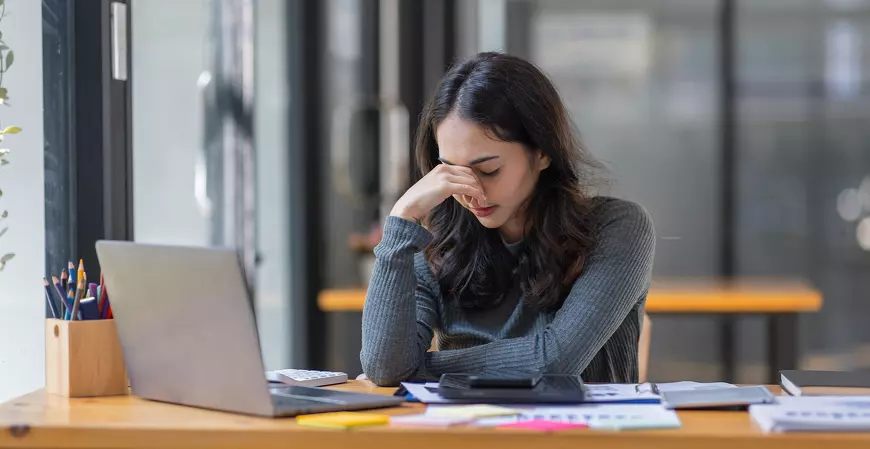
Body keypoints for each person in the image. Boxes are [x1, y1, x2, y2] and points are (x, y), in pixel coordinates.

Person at [360, 52, 655, 386]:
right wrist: (401, 218)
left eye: (488, 170)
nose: (470, 191)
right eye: (451, 172)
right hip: (470, 436)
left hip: (580, 438)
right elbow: (385, 369)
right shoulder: (434, 244)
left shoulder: (617, 227)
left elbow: (555, 362)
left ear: (543, 151)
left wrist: (420, 369)